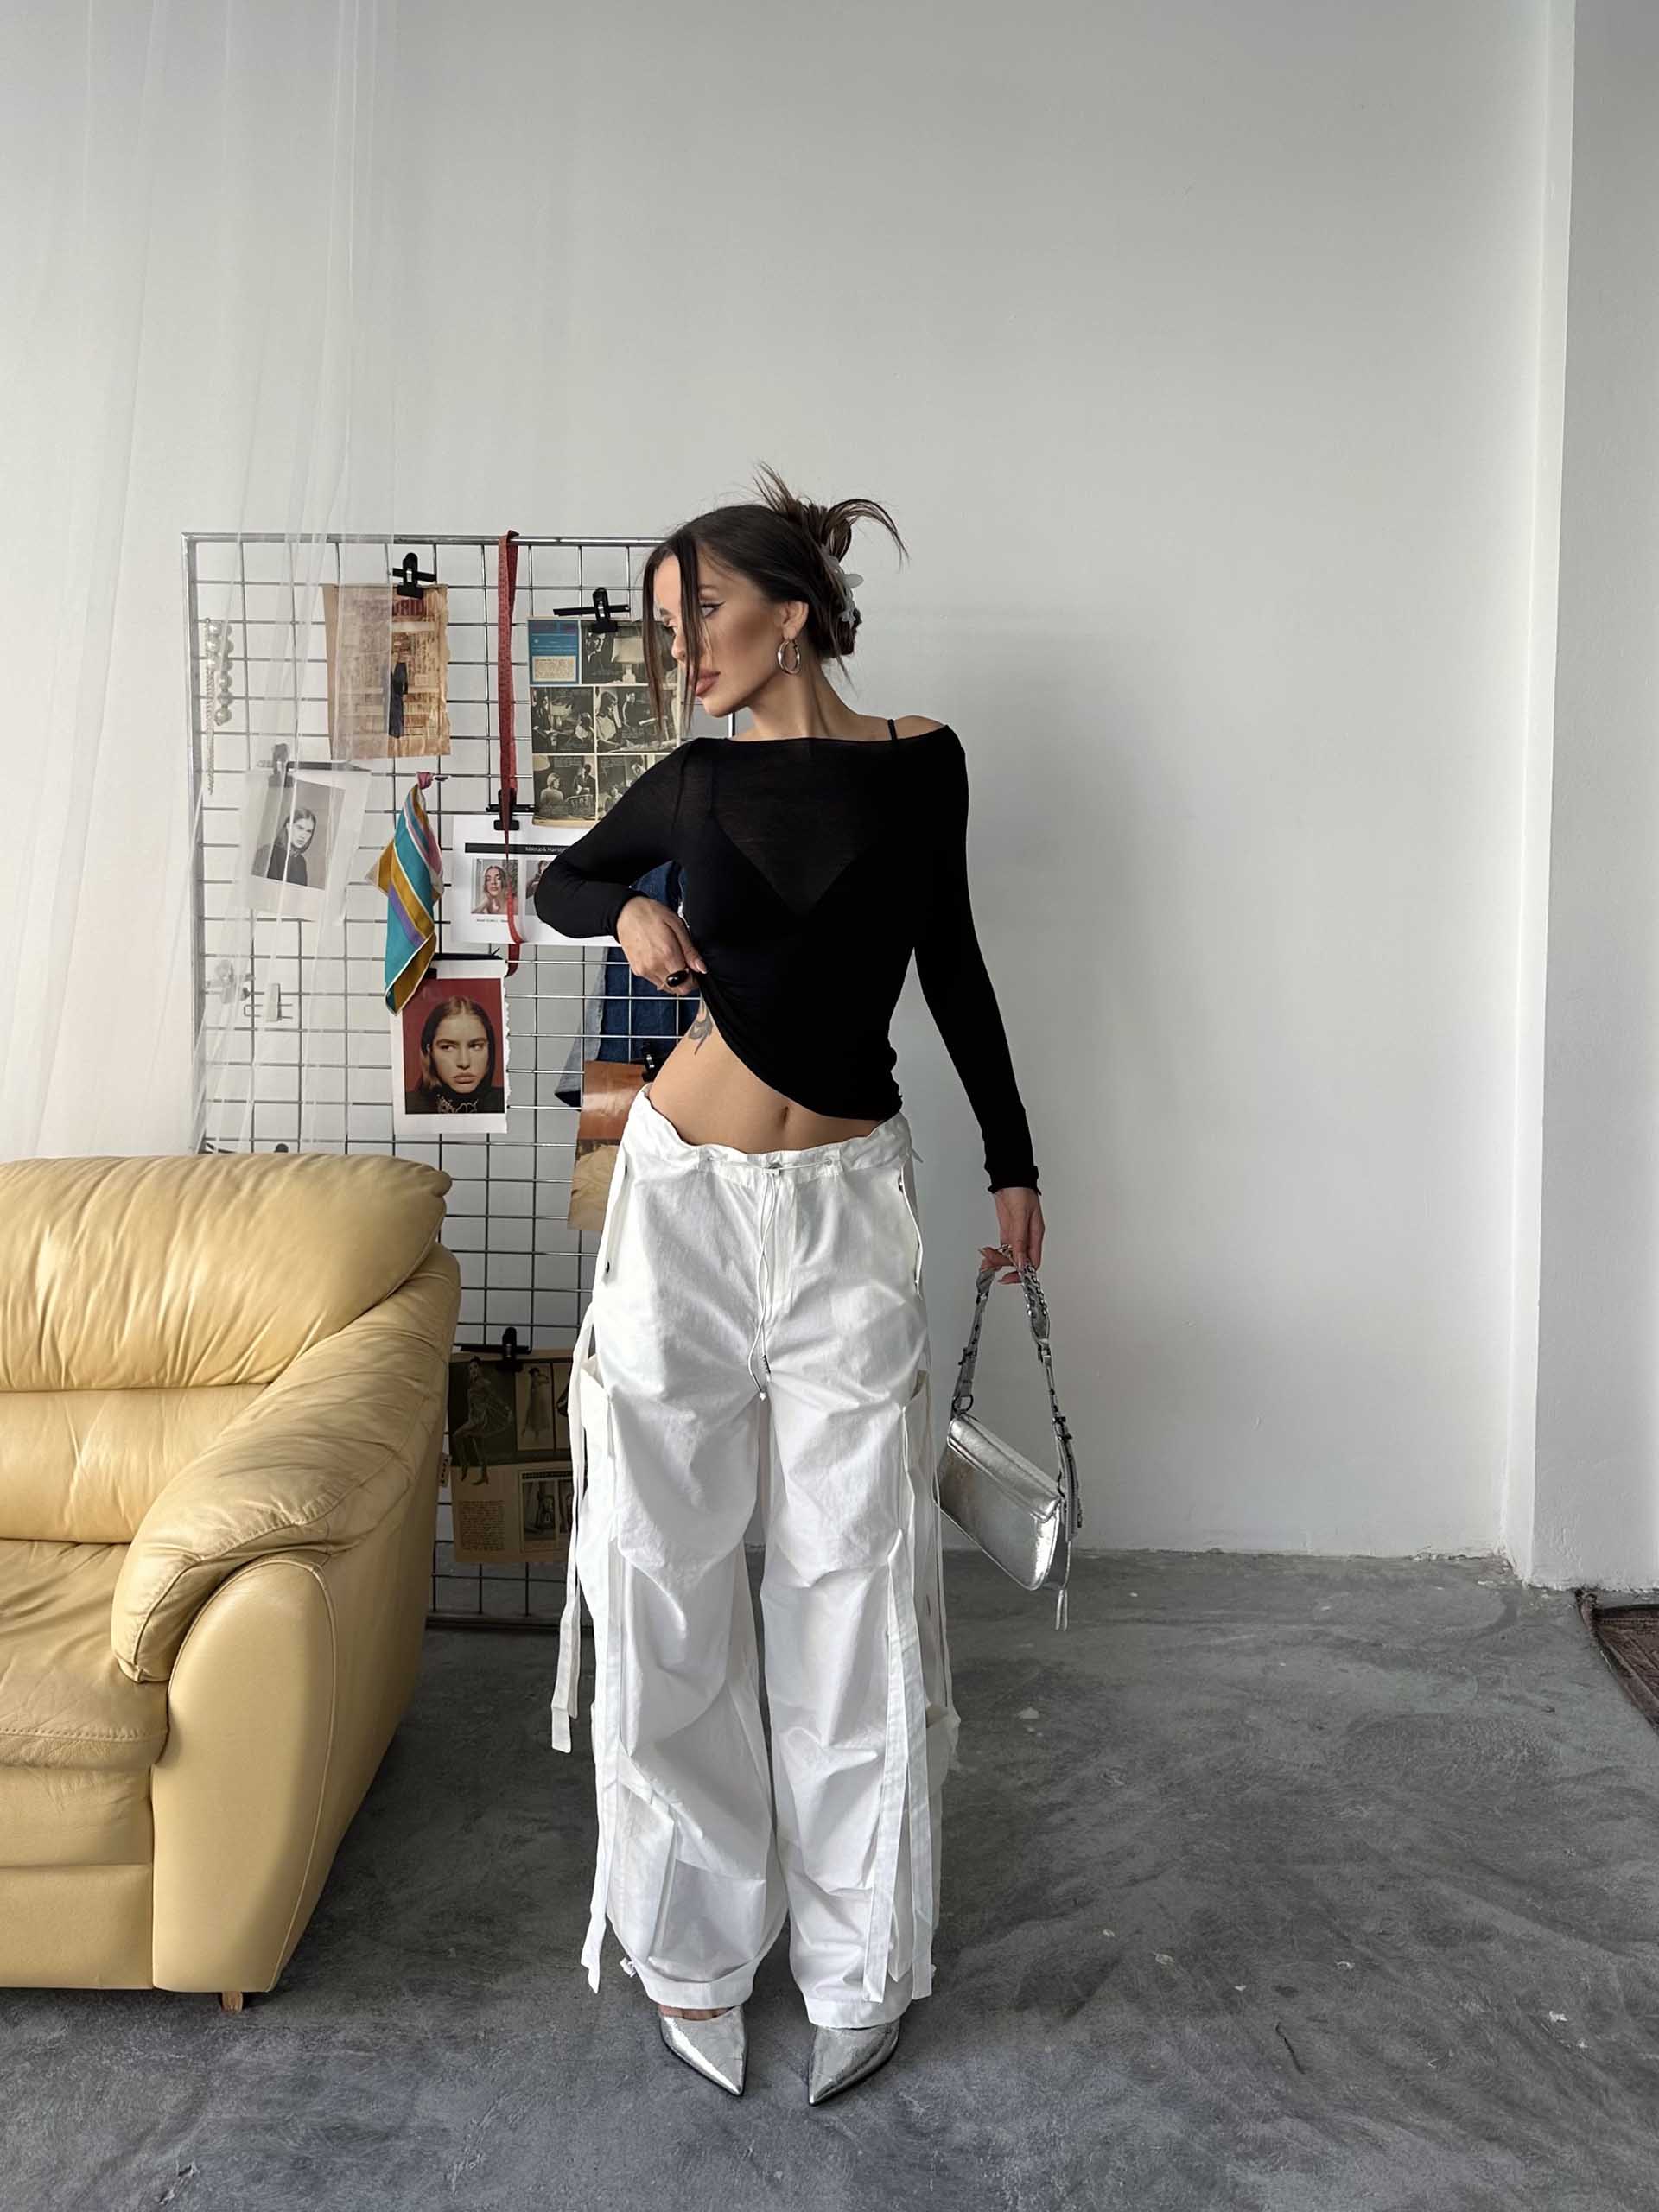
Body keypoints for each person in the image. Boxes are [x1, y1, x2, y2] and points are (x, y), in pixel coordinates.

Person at [535, 462, 1043, 2107]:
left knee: (852, 1580)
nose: (681, 648)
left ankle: (859, 1960)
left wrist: (1018, 1161)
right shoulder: (692, 784)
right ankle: (690, 1949)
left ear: (796, 614)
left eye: (702, 613)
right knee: (667, 1570)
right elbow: (558, 884)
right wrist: (629, 911)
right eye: (668, 625)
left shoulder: (923, 767)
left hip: (844, 1215)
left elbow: (952, 962)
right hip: (680, 1205)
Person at [404, 995, 505, 1116]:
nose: (464, 1062)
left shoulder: (507, 1102)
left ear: (490, 1048)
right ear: (429, 1051)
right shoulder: (407, 1107)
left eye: (475, 1046)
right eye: (447, 1047)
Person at [253, 800, 319, 884]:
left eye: (309, 831)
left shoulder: (301, 861)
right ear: (288, 826)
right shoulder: (267, 852)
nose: (304, 836)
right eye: (300, 828)